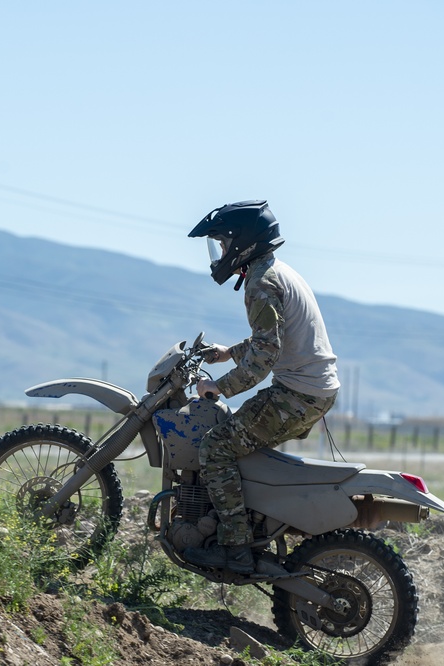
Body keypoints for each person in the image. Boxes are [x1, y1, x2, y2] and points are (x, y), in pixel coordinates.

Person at [184, 200, 340, 574]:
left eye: (223, 244)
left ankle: (234, 550)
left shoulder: (260, 283)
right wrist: (226, 353)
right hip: (312, 390)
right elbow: (270, 342)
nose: (220, 252)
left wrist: (216, 387)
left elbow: (263, 359)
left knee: (217, 447)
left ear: (242, 243)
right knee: (239, 441)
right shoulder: (275, 271)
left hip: (298, 395)